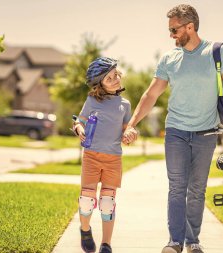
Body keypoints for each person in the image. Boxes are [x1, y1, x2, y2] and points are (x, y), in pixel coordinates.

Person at [122, 4, 223, 253]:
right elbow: (151, 94)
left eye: (174, 29)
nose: (171, 35)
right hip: (176, 130)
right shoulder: (169, 58)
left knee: (197, 189)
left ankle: (193, 240)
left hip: (206, 132)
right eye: (170, 30)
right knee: (177, 187)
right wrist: (131, 123)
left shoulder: (216, 53)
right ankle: (175, 241)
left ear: (190, 26)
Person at [72, 56, 131, 253]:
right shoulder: (91, 101)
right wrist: (80, 129)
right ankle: (85, 229)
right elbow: (79, 121)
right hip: (91, 156)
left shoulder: (125, 105)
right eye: (109, 78)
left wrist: (131, 134)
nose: (115, 80)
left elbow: (127, 130)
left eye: (116, 75)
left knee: (107, 203)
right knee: (87, 200)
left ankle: (106, 244)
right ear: (99, 85)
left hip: (113, 158)